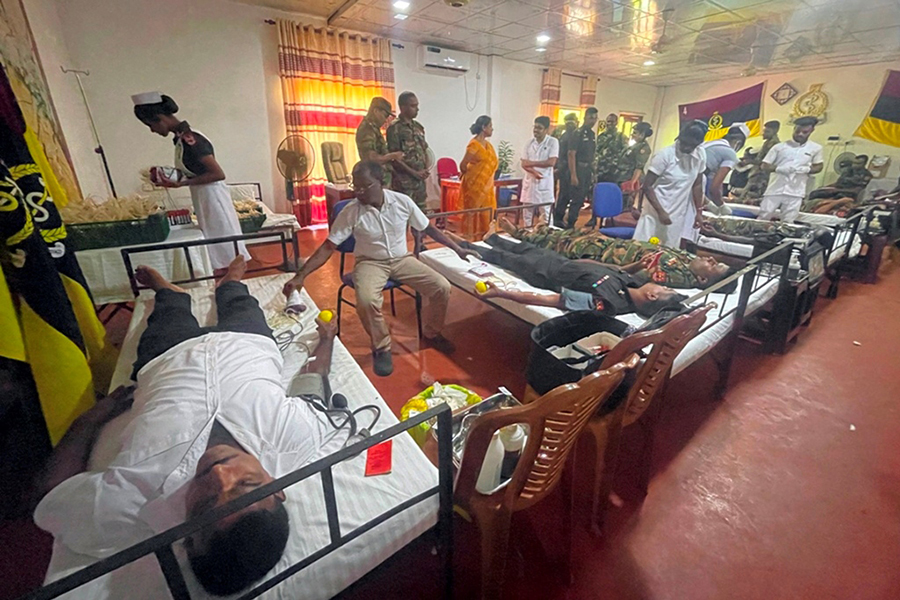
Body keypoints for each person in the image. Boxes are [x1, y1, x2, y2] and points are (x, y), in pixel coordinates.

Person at [33, 257, 343, 597]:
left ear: (187, 538)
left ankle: (169, 291)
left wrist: (94, 417)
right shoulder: (297, 438)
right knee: (241, 301)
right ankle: (230, 284)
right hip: (248, 345)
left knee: (170, 311)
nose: (219, 474)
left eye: (207, 503)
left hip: (168, 356)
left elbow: (52, 492)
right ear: (277, 488)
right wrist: (325, 340)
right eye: (247, 482)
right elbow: (313, 383)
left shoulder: (130, 504)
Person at [282, 161, 479, 377]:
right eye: (355, 186)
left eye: (365, 186)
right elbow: (328, 246)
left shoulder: (402, 202)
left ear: (381, 183)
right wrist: (301, 276)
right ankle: (381, 347)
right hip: (370, 262)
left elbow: (428, 228)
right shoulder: (351, 211)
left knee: (441, 286)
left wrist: (458, 249)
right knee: (366, 300)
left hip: (402, 259)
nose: (359, 192)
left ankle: (432, 333)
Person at [132, 92, 250, 272]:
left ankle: (233, 282)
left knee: (226, 244)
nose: (152, 130)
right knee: (217, 244)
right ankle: (227, 281)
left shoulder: (190, 140)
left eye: (151, 125)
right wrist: (170, 177)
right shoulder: (180, 139)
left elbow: (218, 174)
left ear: (160, 119)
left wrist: (182, 183)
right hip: (203, 195)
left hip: (213, 196)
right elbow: (194, 170)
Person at [449, 233, 687, 317]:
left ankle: (465, 246)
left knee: (507, 259)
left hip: (545, 273)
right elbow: (614, 271)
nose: (661, 286)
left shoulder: (607, 303)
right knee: (524, 247)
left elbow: (554, 300)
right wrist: (637, 264)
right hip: (562, 261)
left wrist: (503, 293)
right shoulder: (634, 283)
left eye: (664, 290)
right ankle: (492, 237)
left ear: (653, 298)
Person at [494, 217, 732, 289]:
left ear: (702, 280)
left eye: (713, 266)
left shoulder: (678, 277)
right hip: (608, 243)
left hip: (603, 254)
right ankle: (534, 230)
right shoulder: (690, 262)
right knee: (567, 233)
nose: (710, 258)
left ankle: (519, 234)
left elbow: (635, 275)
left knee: (559, 242)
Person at [634, 120, 707, 247]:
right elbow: (647, 186)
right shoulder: (665, 155)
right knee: (643, 250)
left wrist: (698, 213)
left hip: (677, 215)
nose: (686, 148)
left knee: (668, 255)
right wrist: (660, 211)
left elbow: (697, 185)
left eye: (692, 145)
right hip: (654, 213)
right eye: (684, 143)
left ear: (699, 144)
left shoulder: (700, 155)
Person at [685, 122, 749, 240]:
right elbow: (714, 187)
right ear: (739, 143)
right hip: (693, 183)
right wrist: (720, 206)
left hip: (683, 180)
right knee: (690, 225)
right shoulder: (730, 154)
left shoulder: (710, 144)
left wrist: (710, 203)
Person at [759, 116, 824, 222]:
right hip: (775, 188)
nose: (800, 134)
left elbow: (819, 166)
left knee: (789, 220)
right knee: (764, 216)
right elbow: (764, 165)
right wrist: (779, 168)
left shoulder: (815, 148)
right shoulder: (779, 147)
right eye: (798, 131)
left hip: (796, 191)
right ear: (794, 129)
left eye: (805, 132)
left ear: (812, 131)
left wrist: (805, 169)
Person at [555, 107, 599, 229]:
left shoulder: (591, 134)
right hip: (575, 169)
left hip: (586, 170)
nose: (593, 120)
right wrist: (573, 175)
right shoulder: (577, 133)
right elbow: (571, 154)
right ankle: (561, 222)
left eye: (595, 118)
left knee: (579, 198)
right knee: (567, 196)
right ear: (585, 118)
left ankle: (571, 222)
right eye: (591, 118)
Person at [386, 91, 430, 212]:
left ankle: (420, 232)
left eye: (417, 105)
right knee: (404, 216)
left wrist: (425, 169)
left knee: (421, 216)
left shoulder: (418, 127)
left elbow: (424, 150)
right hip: (404, 183)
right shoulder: (395, 128)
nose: (417, 109)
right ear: (402, 107)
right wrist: (414, 173)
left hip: (420, 182)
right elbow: (393, 158)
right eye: (413, 106)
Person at [585, 113, 629, 228]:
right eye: (608, 121)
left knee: (611, 196)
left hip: (613, 172)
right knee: (596, 195)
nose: (610, 124)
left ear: (616, 123)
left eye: (612, 122)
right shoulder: (601, 136)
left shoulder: (621, 137)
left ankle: (609, 221)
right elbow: (596, 152)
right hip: (600, 170)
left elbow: (625, 154)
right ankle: (594, 218)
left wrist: (617, 164)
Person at [459, 115, 499, 237]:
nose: (492, 129)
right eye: (490, 126)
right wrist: (473, 176)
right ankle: (471, 239)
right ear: (483, 127)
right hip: (474, 187)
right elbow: (463, 164)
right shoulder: (474, 145)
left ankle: (486, 237)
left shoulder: (488, 145)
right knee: (473, 213)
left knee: (487, 213)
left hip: (487, 187)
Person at [356, 97, 404, 188]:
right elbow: (371, 158)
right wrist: (392, 156)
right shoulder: (367, 129)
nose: (385, 120)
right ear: (376, 111)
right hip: (376, 180)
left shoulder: (374, 128)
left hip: (383, 178)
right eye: (385, 115)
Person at [520, 116, 559, 227]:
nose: (536, 130)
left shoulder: (553, 142)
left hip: (544, 183)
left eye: (539, 128)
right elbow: (524, 164)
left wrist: (530, 163)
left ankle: (548, 237)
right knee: (527, 214)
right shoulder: (529, 143)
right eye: (535, 127)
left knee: (546, 214)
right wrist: (534, 172)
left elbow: (551, 162)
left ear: (547, 129)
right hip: (530, 183)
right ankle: (527, 235)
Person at [616, 121, 653, 211]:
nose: (632, 135)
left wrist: (632, 183)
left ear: (642, 134)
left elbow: (639, 167)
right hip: (623, 177)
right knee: (619, 202)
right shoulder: (635, 146)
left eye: (635, 133)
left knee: (625, 205)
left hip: (629, 178)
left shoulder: (643, 148)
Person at [807, 154, 873, 202]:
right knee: (814, 193)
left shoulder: (866, 175)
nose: (854, 165)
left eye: (858, 163)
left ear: (864, 164)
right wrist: (826, 187)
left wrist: (837, 190)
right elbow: (839, 182)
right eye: (854, 163)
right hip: (837, 190)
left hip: (847, 193)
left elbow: (858, 190)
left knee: (839, 197)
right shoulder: (848, 170)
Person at [554, 112, 579, 210]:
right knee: (565, 194)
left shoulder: (564, 135)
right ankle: (558, 217)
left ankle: (559, 215)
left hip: (564, 167)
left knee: (564, 194)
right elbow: (567, 154)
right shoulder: (570, 136)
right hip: (566, 168)